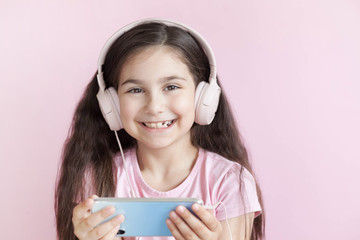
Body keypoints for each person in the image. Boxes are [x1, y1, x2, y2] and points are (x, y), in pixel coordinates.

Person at [55, 19, 265, 240]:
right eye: (135, 90)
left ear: (204, 98)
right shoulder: (97, 179)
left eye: (171, 87)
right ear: (112, 105)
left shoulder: (230, 181)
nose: (154, 107)